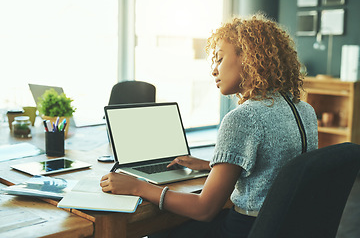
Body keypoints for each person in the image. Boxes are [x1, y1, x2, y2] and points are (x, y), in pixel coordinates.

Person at [100, 13, 318, 238]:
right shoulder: (304, 110)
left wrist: (137, 187)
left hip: (246, 230)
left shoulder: (244, 118)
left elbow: (204, 209)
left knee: (160, 233)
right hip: (285, 227)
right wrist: (214, 165)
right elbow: (275, 168)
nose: (214, 69)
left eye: (220, 58)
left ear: (249, 58)